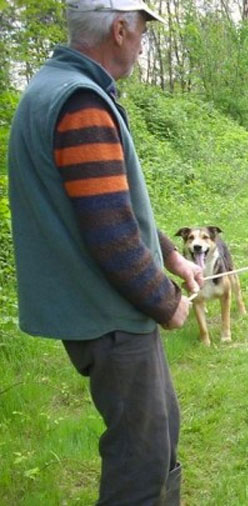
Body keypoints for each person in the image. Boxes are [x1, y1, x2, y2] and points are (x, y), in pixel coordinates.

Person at [7, 1, 202, 504]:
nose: (142, 41)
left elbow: (111, 208)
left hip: (110, 314)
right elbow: (111, 235)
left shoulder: (58, 88)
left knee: (159, 442)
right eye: (140, 30)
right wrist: (166, 300)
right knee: (141, 467)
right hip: (112, 319)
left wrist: (171, 257)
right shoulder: (81, 103)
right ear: (119, 29)